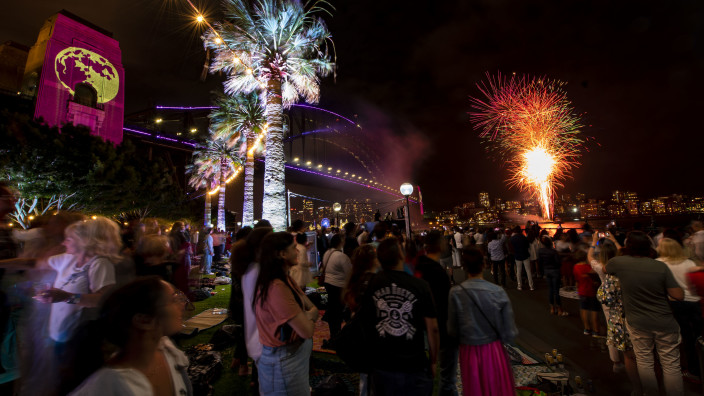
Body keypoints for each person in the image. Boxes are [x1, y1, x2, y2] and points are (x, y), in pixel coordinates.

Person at [69, 277, 193, 396]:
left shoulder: (166, 350)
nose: (182, 305)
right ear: (144, 321)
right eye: (174, 300)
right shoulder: (109, 386)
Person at [606, 230, 684, 396]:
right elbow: (678, 295)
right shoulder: (660, 266)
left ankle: (650, 393)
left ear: (628, 246)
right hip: (664, 321)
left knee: (644, 360)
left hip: (637, 322)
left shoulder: (618, 263)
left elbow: (607, 268)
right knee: (670, 364)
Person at [359, 238, 439, 396]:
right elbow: (433, 328)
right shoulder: (420, 286)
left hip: (382, 363)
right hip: (413, 363)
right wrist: (434, 360)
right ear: (401, 256)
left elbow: (365, 321)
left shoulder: (371, 284)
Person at [254, 232, 319, 396]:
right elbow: (306, 330)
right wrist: (308, 316)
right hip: (284, 366)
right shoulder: (277, 287)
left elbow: (313, 307)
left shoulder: (285, 279)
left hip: (290, 361)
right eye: (293, 248)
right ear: (282, 254)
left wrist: (307, 315)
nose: (297, 251)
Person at [448, 248, 518, 396]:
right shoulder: (498, 292)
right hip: (493, 349)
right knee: (496, 388)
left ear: (465, 267)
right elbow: (510, 332)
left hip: (468, 351)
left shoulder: (455, 292)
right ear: (484, 264)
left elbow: (452, 330)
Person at [594, 235, 642, 394]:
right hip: (643, 317)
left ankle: (638, 388)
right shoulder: (642, 270)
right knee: (646, 355)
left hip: (621, 318)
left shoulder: (611, 276)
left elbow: (604, 298)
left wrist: (594, 242)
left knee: (630, 355)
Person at [415, 230, 457, 396]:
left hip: (421, 330)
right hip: (440, 331)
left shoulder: (418, 266)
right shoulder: (438, 272)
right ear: (439, 245)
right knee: (446, 380)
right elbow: (442, 305)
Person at [657, 237, 702, 381]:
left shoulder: (659, 264)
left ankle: (692, 368)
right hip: (694, 302)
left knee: (685, 337)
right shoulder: (688, 262)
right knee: (698, 336)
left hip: (675, 303)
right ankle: (699, 367)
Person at [342, 244, 380, 396]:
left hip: (360, 336)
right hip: (370, 336)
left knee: (366, 380)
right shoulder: (372, 282)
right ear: (371, 261)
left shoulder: (355, 281)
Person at [319, 234, 352, 348]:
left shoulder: (327, 253)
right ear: (340, 242)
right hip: (339, 286)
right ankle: (340, 337)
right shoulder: (341, 257)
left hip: (328, 284)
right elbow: (349, 273)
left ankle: (334, 334)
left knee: (334, 309)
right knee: (340, 312)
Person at [573, 248, 600, 335]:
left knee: (584, 309)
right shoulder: (590, 267)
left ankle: (586, 328)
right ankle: (595, 329)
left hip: (581, 291)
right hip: (592, 291)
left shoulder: (576, 267)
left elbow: (577, 280)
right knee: (594, 310)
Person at [538, 236, 567, 316]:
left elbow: (540, 262)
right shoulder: (553, 251)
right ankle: (559, 309)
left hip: (547, 271)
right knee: (556, 291)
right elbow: (558, 262)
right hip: (555, 271)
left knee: (550, 290)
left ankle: (552, 308)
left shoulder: (540, 251)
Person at [510, 226, 534, 291]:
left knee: (518, 271)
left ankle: (519, 286)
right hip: (525, 255)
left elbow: (511, 247)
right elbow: (527, 246)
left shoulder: (512, 238)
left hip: (517, 255)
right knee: (528, 271)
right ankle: (531, 286)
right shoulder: (524, 237)